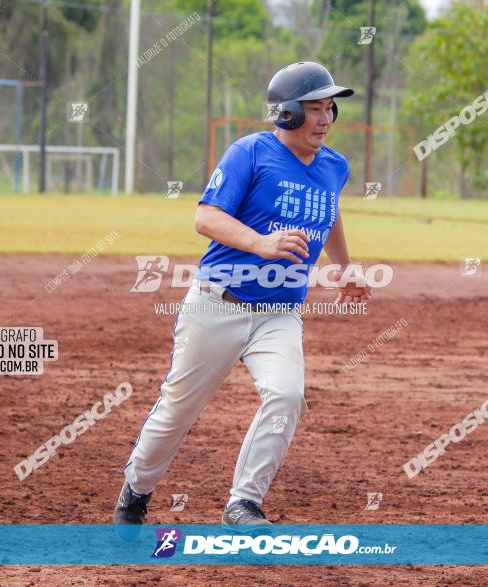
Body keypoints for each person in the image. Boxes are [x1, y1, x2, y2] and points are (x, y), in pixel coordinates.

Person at [114, 61, 371, 528]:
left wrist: (346, 269)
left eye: (330, 108)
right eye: (314, 108)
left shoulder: (335, 166)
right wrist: (261, 243)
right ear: (287, 113)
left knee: (287, 395)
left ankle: (244, 502)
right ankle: (136, 492)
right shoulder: (250, 153)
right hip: (218, 303)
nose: (326, 118)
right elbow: (206, 218)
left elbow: (330, 214)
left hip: (280, 313)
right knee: (178, 409)